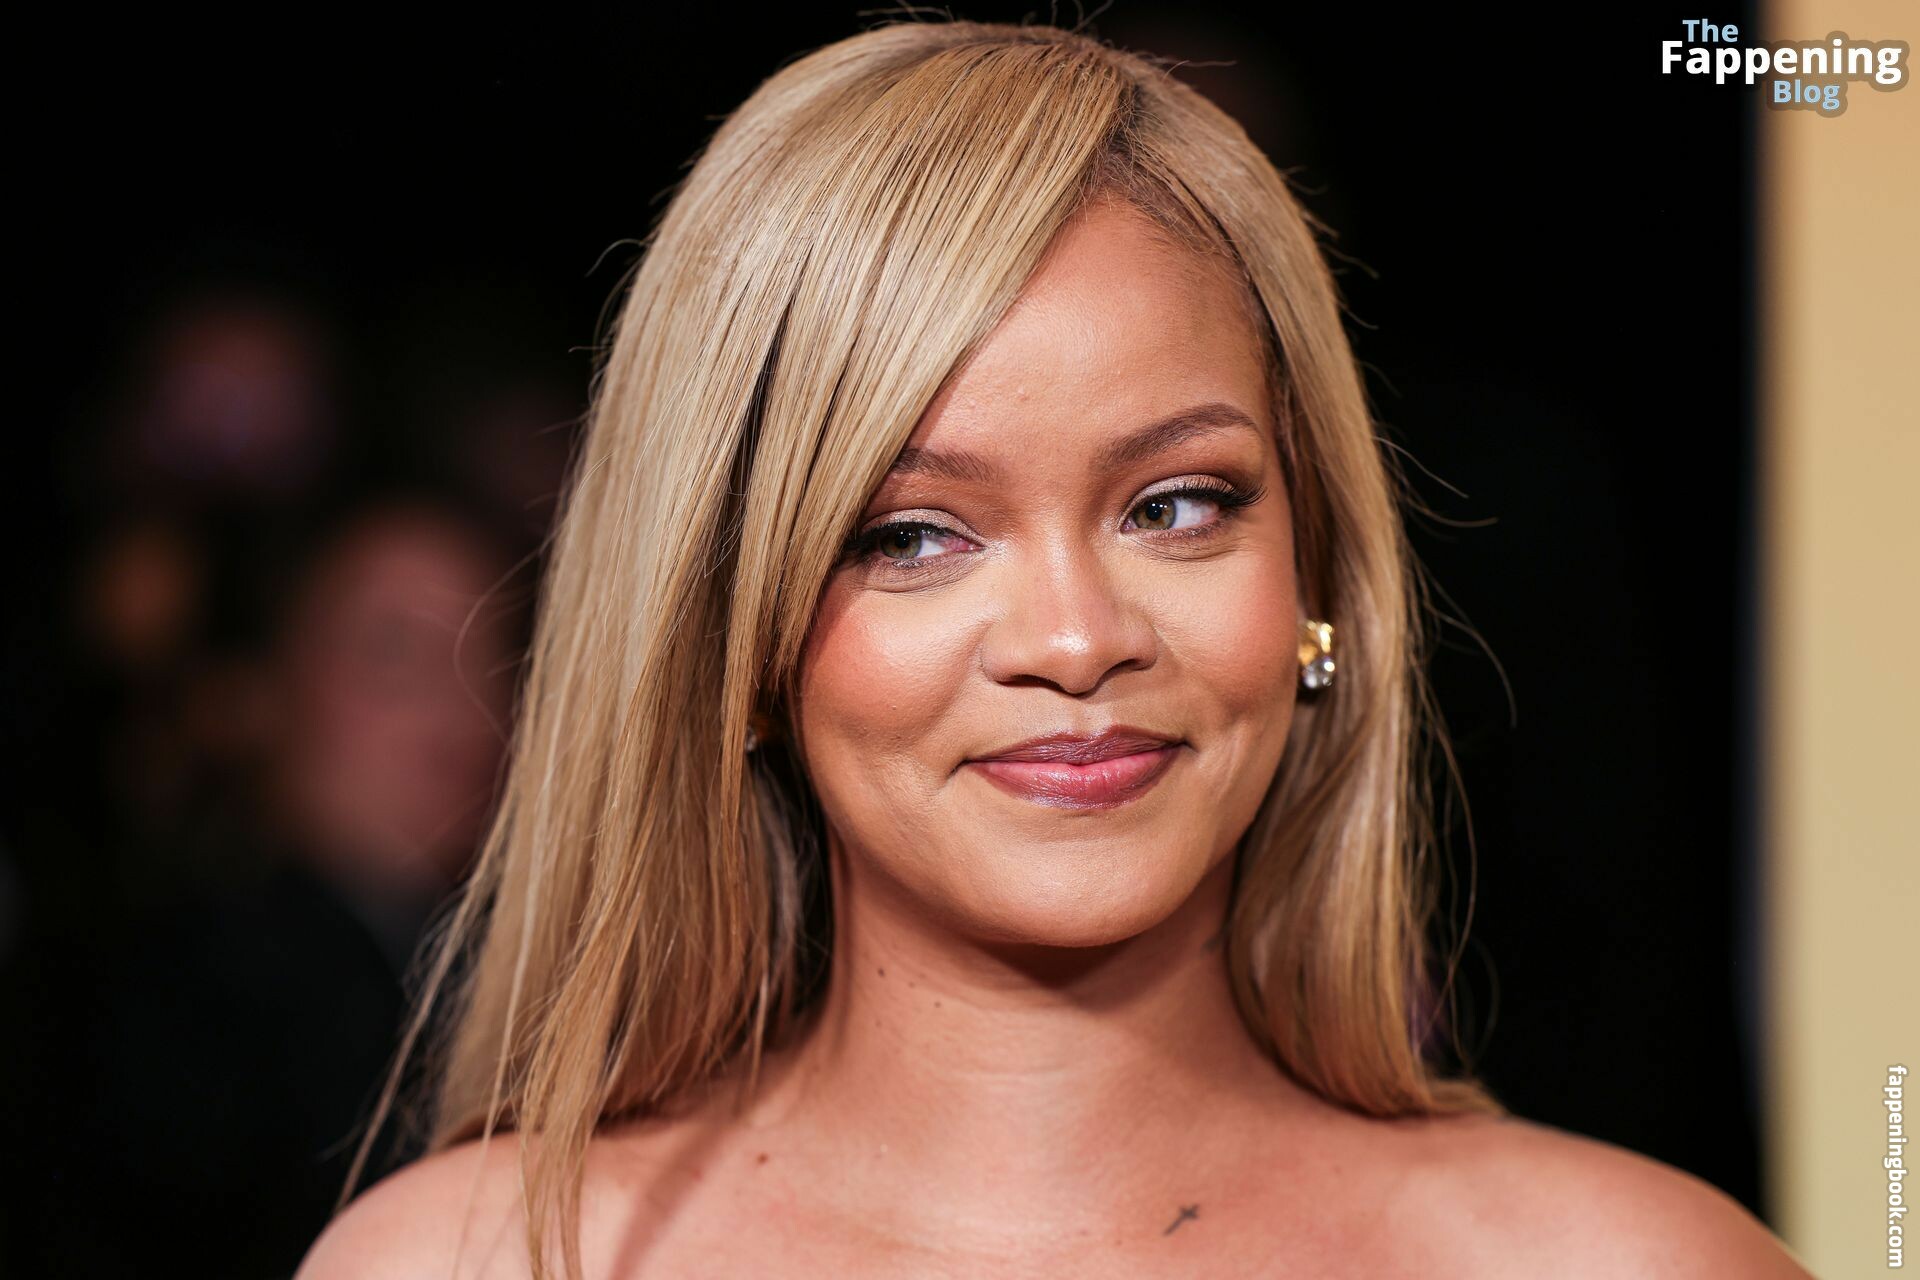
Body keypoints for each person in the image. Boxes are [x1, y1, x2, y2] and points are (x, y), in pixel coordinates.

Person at [297, 18, 1811, 1278]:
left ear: (1317, 584)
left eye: (1177, 504)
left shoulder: (1635, 1263)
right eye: (913, 534)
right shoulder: (470, 1263)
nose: (1078, 640)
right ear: (737, 640)